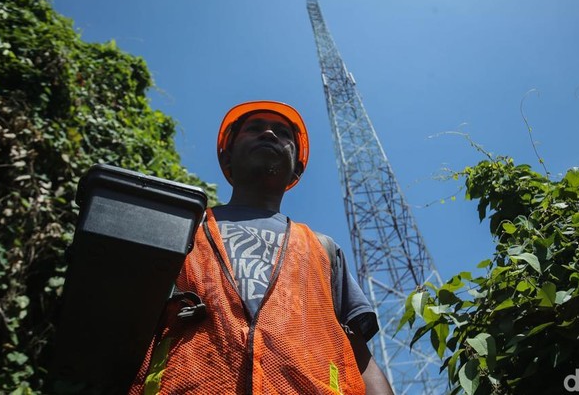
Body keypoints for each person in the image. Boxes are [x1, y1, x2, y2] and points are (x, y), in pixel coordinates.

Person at [130, 101, 393, 394]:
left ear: (298, 168)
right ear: (227, 156)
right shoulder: (184, 225)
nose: (268, 134)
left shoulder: (323, 249)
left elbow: (360, 357)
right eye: (254, 129)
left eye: (282, 133)